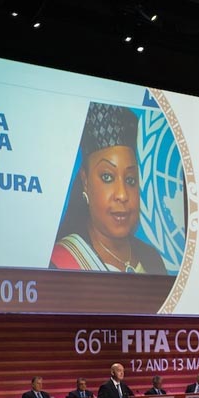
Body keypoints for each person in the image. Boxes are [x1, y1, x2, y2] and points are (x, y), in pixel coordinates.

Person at [50, 101, 167, 274]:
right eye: (107, 177)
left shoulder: (152, 259)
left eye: (130, 180)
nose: (122, 194)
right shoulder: (59, 263)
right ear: (85, 182)